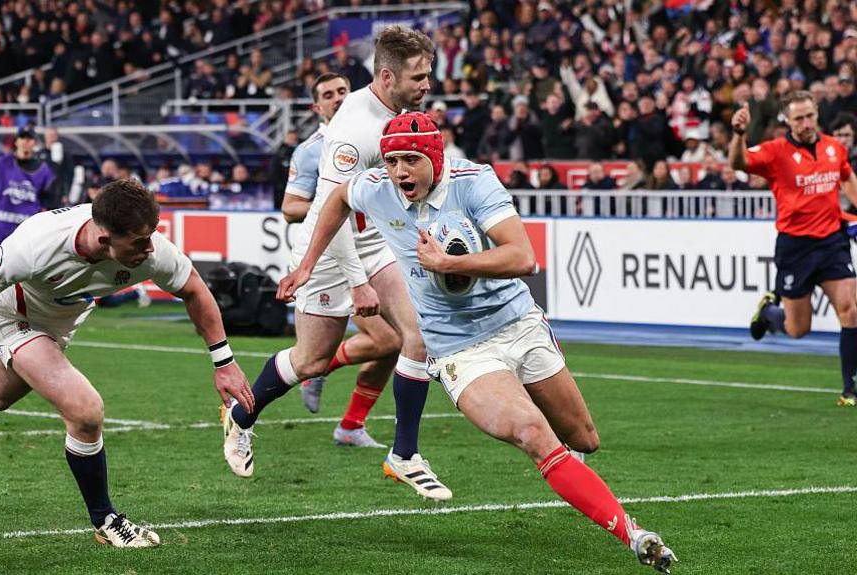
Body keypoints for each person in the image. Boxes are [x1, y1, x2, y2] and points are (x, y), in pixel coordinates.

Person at [279, 112, 677, 574]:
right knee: (534, 434)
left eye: (410, 160)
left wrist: (445, 264)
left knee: (583, 437)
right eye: (391, 161)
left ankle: (574, 478)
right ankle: (635, 534)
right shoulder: (379, 186)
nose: (399, 172)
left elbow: (523, 257)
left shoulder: (473, 182)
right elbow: (337, 198)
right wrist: (308, 264)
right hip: (460, 348)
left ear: (434, 155)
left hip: (519, 325)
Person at [0, 180, 255, 547]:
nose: (150, 249)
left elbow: (195, 289)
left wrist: (224, 362)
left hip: (54, 328)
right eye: (140, 242)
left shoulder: (150, 250)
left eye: (153, 237)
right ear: (104, 238)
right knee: (85, 410)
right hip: (10, 318)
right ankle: (106, 520)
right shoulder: (35, 243)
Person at [220, 25, 454, 500]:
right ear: (387, 77)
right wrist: (358, 284)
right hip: (331, 249)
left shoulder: (396, 114)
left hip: (371, 240)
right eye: (419, 77)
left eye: (428, 75)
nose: (427, 85)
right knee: (311, 361)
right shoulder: (354, 132)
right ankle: (240, 415)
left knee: (418, 335)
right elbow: (333, 209)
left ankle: (404, 454)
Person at [281, 71, 401, 447]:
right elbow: (289, 207)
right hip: (333, 256)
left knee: (397, 342)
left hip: (373, 248)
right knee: (386, 341)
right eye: (327, 94)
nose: (337, 97)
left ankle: (351, 425)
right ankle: (311, 373)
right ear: (317, 106)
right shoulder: (312, 149)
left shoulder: (378, 130)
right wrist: (329, 204)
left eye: (343, 91)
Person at [732, 92, 857, 406]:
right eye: (798, 118)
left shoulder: (834, 148)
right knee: (798, 329)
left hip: (832, 242)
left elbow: (847, 176)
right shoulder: (776, 152)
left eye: (810, 116)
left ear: (817, 114)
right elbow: (739, 162)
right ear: (787, 120)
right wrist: (739, 135)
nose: (805, 123)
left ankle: (848, 389)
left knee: (851, 309)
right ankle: (770, 313)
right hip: (796, 247)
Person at [0, 126, 60, 246]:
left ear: (35, 143)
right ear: (16, 141)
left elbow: (50, 205)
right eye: (22, 138)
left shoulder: (45, 171)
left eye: (30, 139)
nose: (25, 142)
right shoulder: (1, 164)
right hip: (0, 231)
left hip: (27, 235)